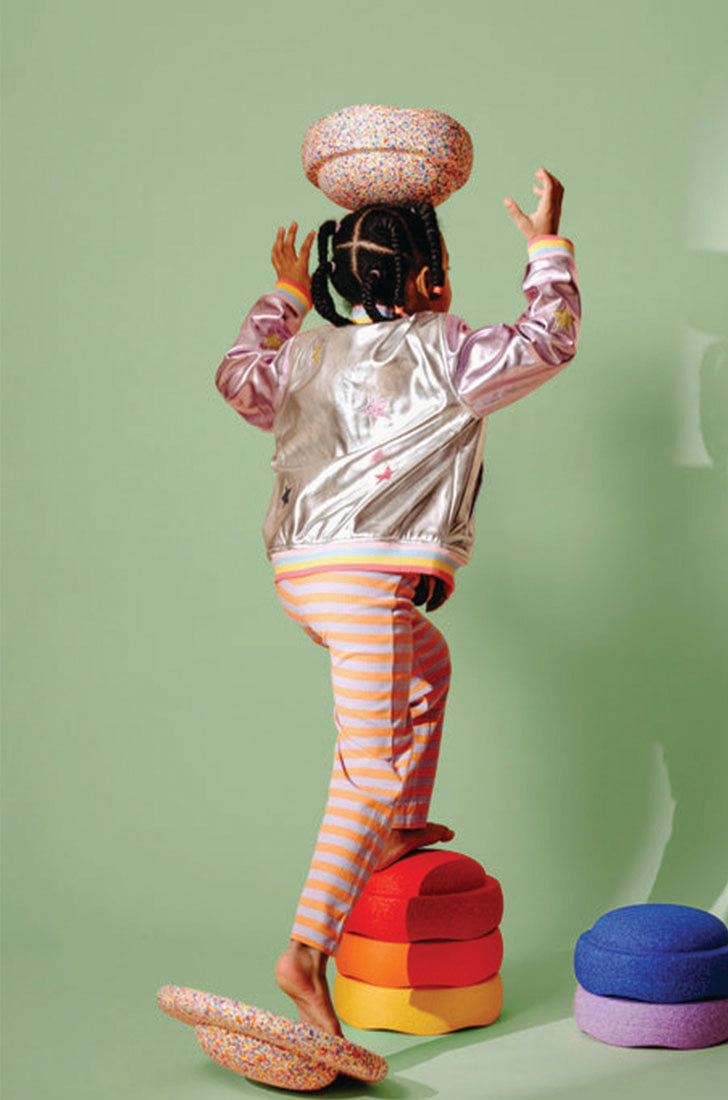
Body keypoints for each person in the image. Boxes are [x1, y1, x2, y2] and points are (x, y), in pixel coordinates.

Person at [215, 168, 580, 1037]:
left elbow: (236, 378)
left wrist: (282, 297)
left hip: (304, 574)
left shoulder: (303, 354)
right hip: (365, 576)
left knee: (429, 667)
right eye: (443, 263)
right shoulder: (446, 348)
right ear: (430, 281)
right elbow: (548, 339)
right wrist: (546, 250)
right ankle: (304, 956)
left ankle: (393, 833)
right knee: (370, 765)